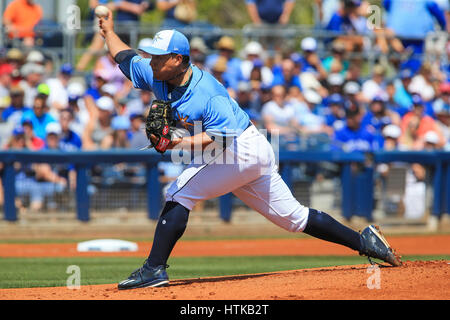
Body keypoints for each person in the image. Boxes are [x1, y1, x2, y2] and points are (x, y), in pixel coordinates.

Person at [98, 14, 402, 290]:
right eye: (151, 57)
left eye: (158, 57)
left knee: (178, 193)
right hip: (249, 152)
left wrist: (177, 143)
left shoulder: (207, 92)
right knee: (293, 219)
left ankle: (154, 269)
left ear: (178, 59)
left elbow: (221, 138)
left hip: (240, 149)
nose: (151, 62)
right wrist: (108, 30)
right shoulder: (157, 73)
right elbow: (124, 57)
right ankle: (364, 241)